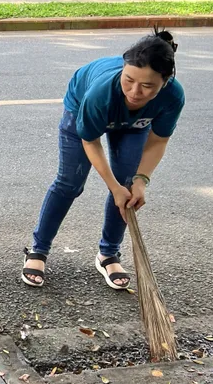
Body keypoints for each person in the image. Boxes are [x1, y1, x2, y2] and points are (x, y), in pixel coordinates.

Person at [21, 31, 185, 289]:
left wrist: (140, 181)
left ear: (165, 82)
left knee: (128, 188)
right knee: (69, 183)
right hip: (83, 109)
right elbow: (90, 141)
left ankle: (108, 254)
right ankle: (38, 249)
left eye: (147, 86)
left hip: (134, 125)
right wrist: (113, 186)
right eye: (128, 80)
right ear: (122, 69)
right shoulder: (100, 93)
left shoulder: (173, 96)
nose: (134, 91)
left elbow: (158, 141)